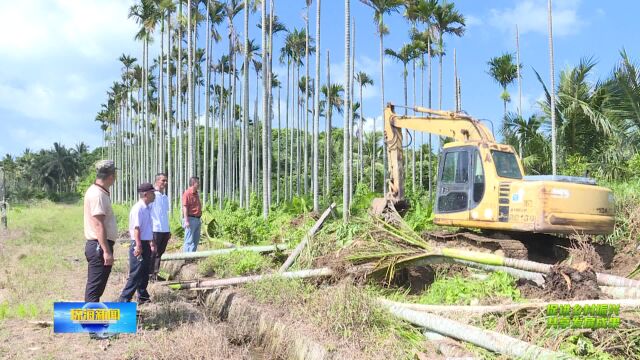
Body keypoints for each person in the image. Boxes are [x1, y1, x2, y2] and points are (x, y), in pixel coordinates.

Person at [84, 160, 118, 303]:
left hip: (99, 245)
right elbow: (98, 224)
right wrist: (106, 251)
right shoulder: (97, 194)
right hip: (99, 246)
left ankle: (93, 320)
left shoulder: (99, 192)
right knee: (94, 288)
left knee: (97, 288)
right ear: (111, 176)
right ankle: (90, 322)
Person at [118, 183, 156, 304]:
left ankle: (143, 297)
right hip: (138, 243)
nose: (154, 195)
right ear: (146, 194)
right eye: (152, 192)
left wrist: (151, 242)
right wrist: (138, 245)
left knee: (144, 272)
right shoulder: (138, 208)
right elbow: (137, 229)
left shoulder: (147, 208)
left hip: (145, 242)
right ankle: (124, 300)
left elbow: (147, 228)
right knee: (135, 273)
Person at [149, 173, 170, 281]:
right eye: (163, 180)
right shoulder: (152, 196)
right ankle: (149, 275)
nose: (165, 183)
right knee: (153, 253)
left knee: (159, 253)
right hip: (155, 229)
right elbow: (148, 213)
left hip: (164, 229)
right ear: (157, 181)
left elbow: (165, 214)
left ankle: (155, 274)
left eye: (166, 181)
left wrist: (168, 230)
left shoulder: (165, 197)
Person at [182, 177, 202, 252]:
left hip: (197, 219)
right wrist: (186, 221)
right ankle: (186, 258)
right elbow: (185, 207)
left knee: (195, 240)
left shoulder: (196, 193)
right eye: (198, 183)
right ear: (193, 183)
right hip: (190, 219)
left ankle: (192, 257)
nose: (199, 184)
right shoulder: (187, 193)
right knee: (189, 240)